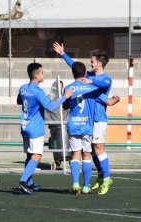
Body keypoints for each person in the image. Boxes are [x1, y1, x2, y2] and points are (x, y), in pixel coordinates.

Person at [53, 42, 120, 195]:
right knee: (92, 151)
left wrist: (92, 82)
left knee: (98, 148)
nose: (90, 63)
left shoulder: (105, 79)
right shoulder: (88, 76)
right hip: (88, 119)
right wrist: (63, 54)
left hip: (99, 118)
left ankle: (107, 178)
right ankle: (101, 176)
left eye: (92, 61)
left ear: (99, 63)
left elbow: (102, 84)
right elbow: (75, 67)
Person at [16, 62, 73, 195]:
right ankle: (23, 181)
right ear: (36, 75)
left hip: (25, 125)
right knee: (37, 156)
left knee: (30, 155)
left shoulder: (23, 88)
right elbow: (51, 106)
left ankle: (29, 183)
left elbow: (19, 101)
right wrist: (65, 97)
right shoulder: (38, 92)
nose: (43, 74)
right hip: (35, 127)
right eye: (42, 72)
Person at [63, 61, 101, 194]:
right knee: (86, 154)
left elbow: (65, 106)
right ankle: (86, 186)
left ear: (72, 73)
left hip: (73, 124)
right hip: (87, 125)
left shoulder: (68, 87)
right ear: (85, 73)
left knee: (75, 154)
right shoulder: (92, 88)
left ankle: (75, 184)